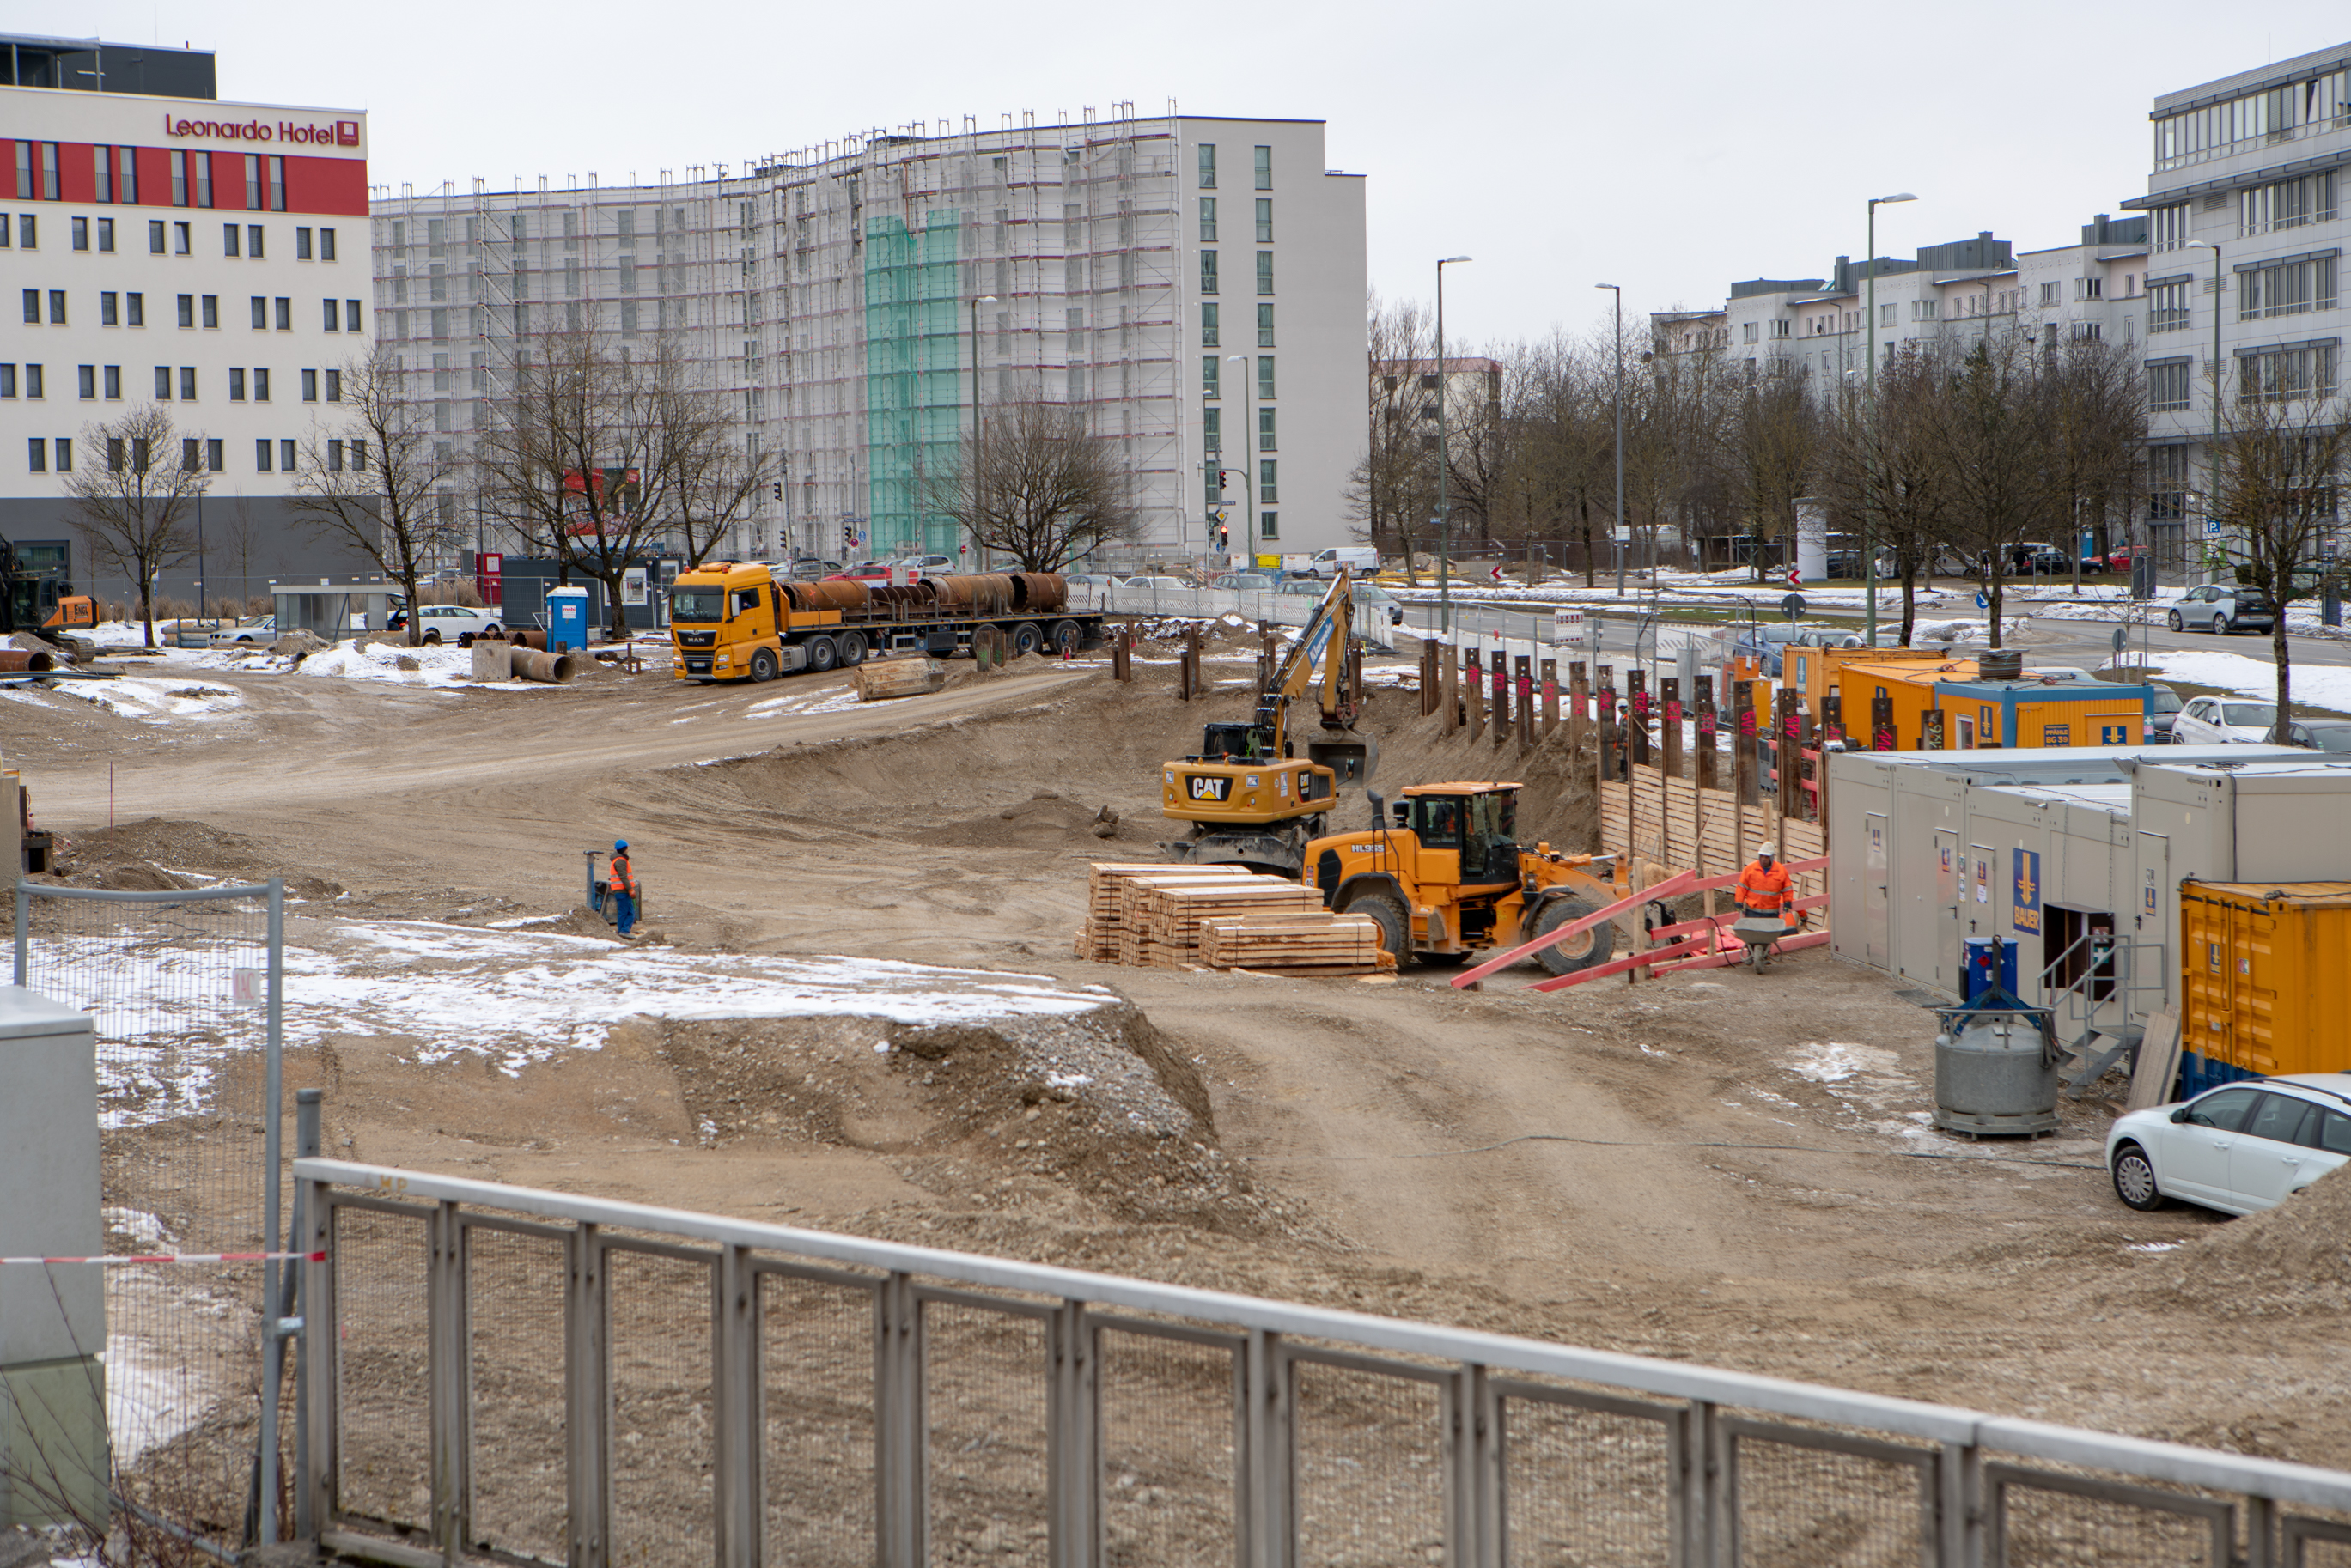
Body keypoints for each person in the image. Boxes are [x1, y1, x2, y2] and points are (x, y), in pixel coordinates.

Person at [1735, 842, 1794, 928]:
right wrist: (1739, 902)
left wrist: (1788, 902)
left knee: (1768, 938)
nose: (1763, 859)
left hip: (1771, 913)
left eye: (1766, 857)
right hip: (1753, 912)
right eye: (1762, 856)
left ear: (1772, 857)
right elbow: (1741, 887)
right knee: (1753, 937)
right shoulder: (1750, 869)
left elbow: (1787, 889)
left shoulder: (1781, 871)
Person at [608, 839, 638, 938]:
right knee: (628, 913)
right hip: (623, 890)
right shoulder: (621, 861)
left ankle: (621, 931)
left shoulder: (617, 860)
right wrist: (630, 889)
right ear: (624, 849)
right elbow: (623, 877)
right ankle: (624, 931)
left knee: (626, 912)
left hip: (619, 890)